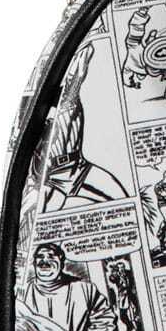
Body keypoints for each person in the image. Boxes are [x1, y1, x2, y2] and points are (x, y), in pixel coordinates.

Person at [42, 44, 129, 211]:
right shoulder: (40, 113)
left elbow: (83, 58)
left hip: (77, 168)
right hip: (50, 175)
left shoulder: (69, 101)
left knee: (123, 200)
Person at [18, 242, 116, 331]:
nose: (44, 261)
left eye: (51, 256)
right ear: (34, 263)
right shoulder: (22, 292)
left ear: (61, 263)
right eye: (40, 257)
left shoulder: (85, 289)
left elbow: (105, 321)